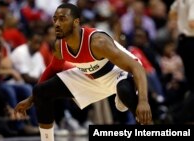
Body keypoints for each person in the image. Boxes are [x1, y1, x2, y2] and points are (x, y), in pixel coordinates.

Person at [14, 3, 152, 141]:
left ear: (76, 22)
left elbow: (137, 67)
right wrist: (32, 99)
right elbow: (53, 69)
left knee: (125, 92)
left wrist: (144, 101)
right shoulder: (59, 46)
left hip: (117, 72)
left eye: (62, 19)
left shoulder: (98, 42)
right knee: (40, 91)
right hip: (91, 76)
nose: (56, 23)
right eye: (55, 19)